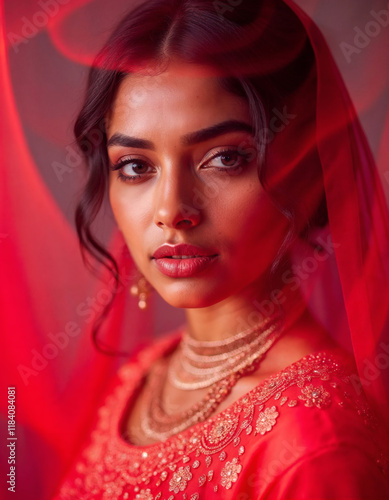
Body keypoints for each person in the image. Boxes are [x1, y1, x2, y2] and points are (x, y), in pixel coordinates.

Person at [53, 0, 389, 498]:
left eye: (224, 158)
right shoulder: (142, 376)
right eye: (135, 166)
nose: (171, 210)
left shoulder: (313, 438)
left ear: (306, 164)